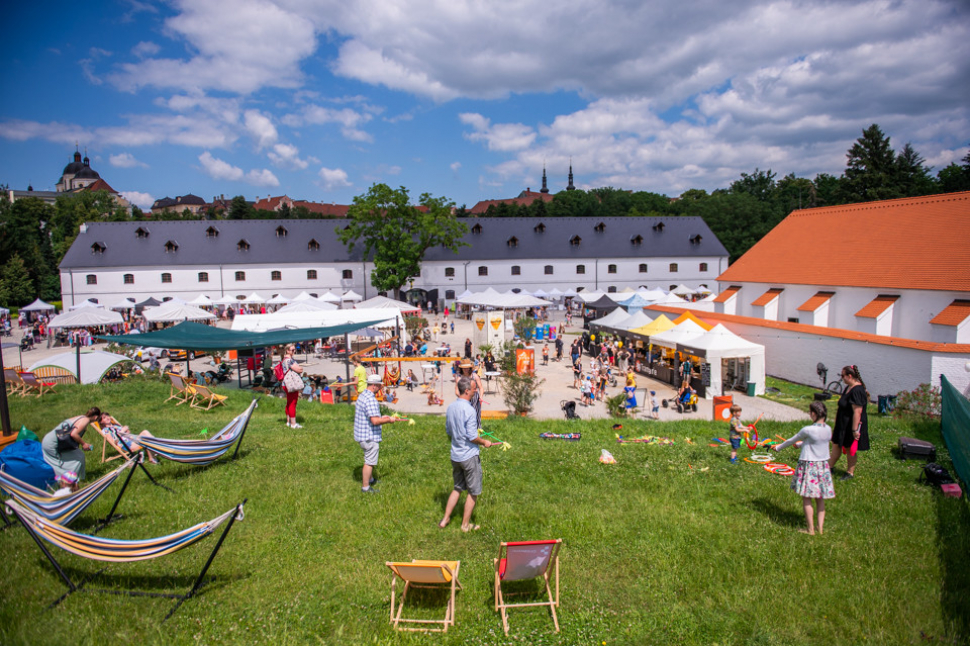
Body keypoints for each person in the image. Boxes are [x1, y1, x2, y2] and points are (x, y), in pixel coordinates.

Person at [439, 376, 495, 531]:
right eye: (474, 388)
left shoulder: (451, 407)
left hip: (455, 455)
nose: (476, 390)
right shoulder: (469, 410)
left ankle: (445, 520)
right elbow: (472, 437)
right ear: (467, 391)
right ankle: (465, 525)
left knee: (457, 487)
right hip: (469, 456)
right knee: (473, 491)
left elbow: (448, 430)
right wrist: (485, 442)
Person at [774, 401, 834, 535]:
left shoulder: (808, 429)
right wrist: (802, 444)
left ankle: (810, 529)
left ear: (813, 413)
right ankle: (820, 529)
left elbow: (791, 440)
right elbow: (817, 441)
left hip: (809, 465)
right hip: (823, 466)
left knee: (807, 498)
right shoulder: (828, 429)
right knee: (820, 498)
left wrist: (777, 448)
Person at [354, 374, 405, 493]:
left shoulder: (362, 396)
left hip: (361, 434)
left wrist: (383, 416)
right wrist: (389, 420)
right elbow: (375, 421)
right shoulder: (371, 400)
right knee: (369, 462)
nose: (381, 388)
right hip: (369, 436)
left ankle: (370, 479)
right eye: (380, 386)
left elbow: (371, 416)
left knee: (369, 458)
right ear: (374, 386)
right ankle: (365, 487)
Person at [828, 365, 870, 480]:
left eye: (843, 376)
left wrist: (854, 430)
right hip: (842, 424)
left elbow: (857, 412)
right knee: (836, 444)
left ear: (850, 376)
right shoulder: (848, 387)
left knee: (848, 448)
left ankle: (850, 473)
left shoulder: (857, 390)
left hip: (850, 425)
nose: (842, 378)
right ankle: (829, 467)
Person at [42, 408, 101, 480]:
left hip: (52, 440)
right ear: (95, 417)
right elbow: (73, 434)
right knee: (57, 464)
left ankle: (74, 478)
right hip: (53, 443)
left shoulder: (81, 417)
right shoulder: (85, 420)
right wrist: (84, 444)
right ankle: (67, 480)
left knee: (79, 455)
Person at [455, 359, 484, 430]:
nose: (466, 369)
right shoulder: (459, 378)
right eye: (464, 368)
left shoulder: (474, 376)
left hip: (474, 398)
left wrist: (480, 397)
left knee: (475, 414)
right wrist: (461, 397)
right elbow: (456, 390)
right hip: (463, 399)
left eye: (467, 368)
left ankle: (477, 431)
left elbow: (481, 388)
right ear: (461, 368)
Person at [281, 345, 304, 428]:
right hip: (291, 384)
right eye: (292, 350)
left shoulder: (284, 360)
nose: (294, 351)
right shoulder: (289, 360)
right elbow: (299, 369)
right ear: (287, 350)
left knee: (289, 402)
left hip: (285, 384)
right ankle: (293, 424)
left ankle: (288, 421)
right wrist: (300, 368)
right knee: (292, 403)